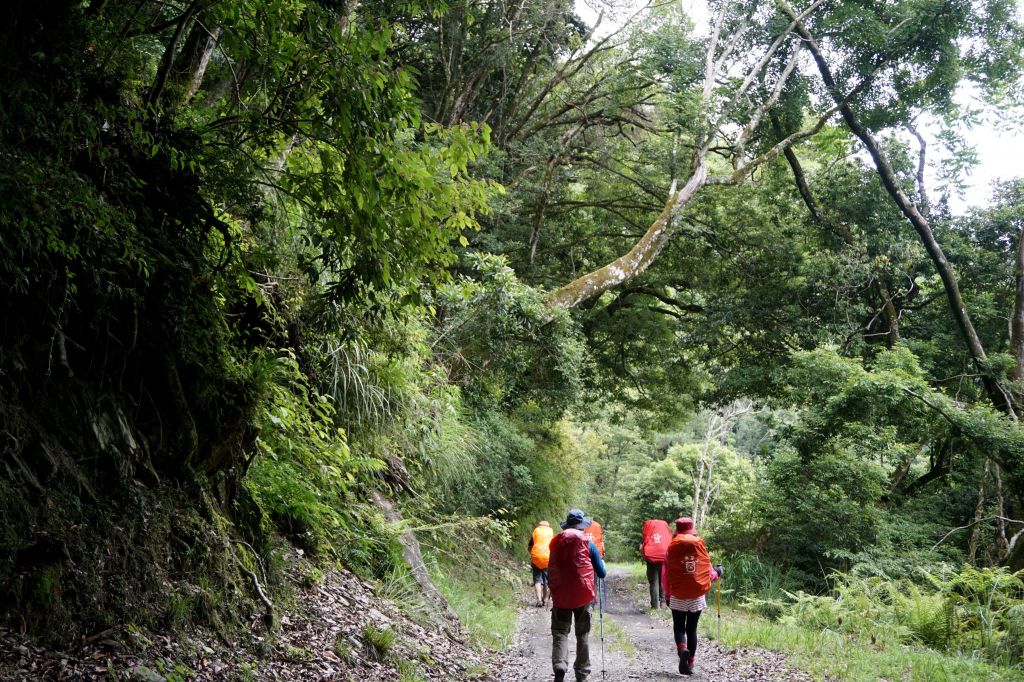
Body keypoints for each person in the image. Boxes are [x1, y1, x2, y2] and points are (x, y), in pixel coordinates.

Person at [548, 508, 607, 682]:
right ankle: (582, 673)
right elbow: (601, 573)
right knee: (582, 634)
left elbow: (550, 568)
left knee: (560, 632)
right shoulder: (588, 543)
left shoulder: (557, 542)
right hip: (583, 595)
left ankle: (560, 665)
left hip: (561, 596)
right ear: (582, 526)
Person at [662, 517, 722, 676]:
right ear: (692, 530)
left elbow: (665, 575)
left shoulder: (671, 549)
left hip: (677, 595)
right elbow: (709, 573)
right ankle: (690, 663)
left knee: (679, 627)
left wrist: (667, 595)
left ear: (677, 530)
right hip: (696, 596)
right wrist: (718, 572)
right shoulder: (699, 547)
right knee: (692, 629)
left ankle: (682, 650)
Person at [639, 518, 671, 608]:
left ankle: (654, 606)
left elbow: (641, 548)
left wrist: (645, 558)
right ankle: (663, 603)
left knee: (654, 582)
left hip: (651, 561)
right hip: (664, 559)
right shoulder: (665, 534)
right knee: (663, 581)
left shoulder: (648, 533)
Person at [529, 520, 554, 607]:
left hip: (536, 557)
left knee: (537, 580)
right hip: (547, 558)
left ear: (539, 526)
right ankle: (546, 599)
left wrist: (532, 554)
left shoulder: (536, 532)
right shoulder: (550, 533)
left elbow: (530, 546)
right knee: (548, 581)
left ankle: (539, 600)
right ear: (548, 526)